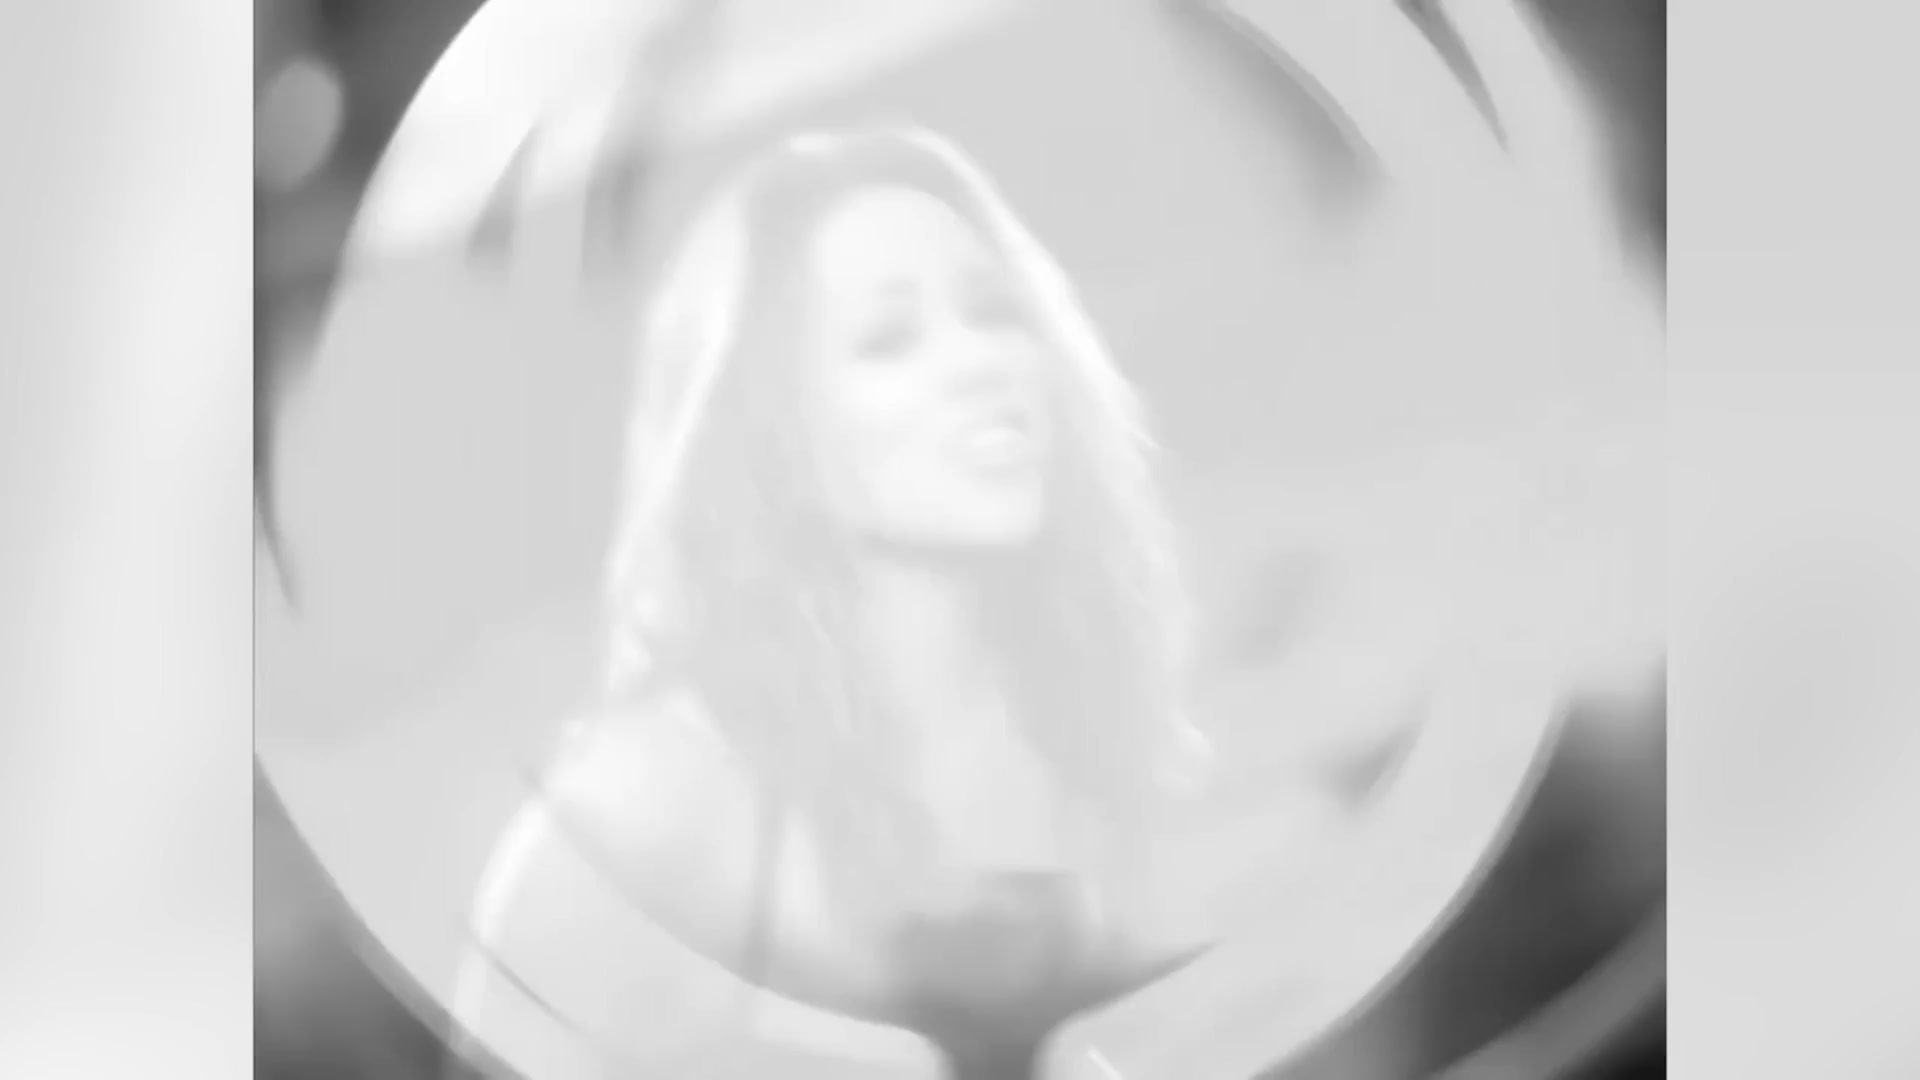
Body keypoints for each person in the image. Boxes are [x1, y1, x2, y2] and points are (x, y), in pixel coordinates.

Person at [447, 124, 1385, 1079]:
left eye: (994, 311)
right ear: (774, 435)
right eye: (889, 340)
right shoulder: (647, 811)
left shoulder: (1086, 749)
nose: (981, 362)